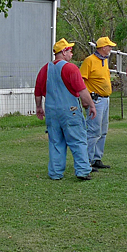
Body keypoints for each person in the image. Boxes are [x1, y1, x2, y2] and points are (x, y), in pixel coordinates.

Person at [35, 39, 97, 181]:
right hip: (70, 110)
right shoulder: (71, 68)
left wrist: (39, 107)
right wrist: (91, 105)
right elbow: (82, 91)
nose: (71, 53)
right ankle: (82, 170)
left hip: (51, 111)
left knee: (56, 142)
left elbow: (38, 92)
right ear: (63, 52)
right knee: (78, 140)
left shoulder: (45, 69)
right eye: (69, 51)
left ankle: (56, 173)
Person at [80, 36, 116, 169]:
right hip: (95, 100)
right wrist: (86, 99)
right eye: (109, 47)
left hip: (105, 99)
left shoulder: (104, 61)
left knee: (103, 130)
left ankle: (97, 158)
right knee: (93, 131)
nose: (111, 49)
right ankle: (87, 160)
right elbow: (81, 80)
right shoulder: (89, 61)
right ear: (103, 48)